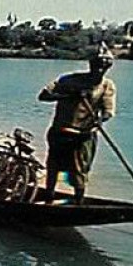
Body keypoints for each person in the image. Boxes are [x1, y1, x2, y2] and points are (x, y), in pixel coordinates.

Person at [38, 43, 117, 204]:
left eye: (104, 66)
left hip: (83, 135)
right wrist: (68, 95)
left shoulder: (106, 86)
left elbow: (108, 111)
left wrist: (99, 121)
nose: (100, 70)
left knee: (79, 172)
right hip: (60, 132)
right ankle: (48, 198)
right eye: (97, 65)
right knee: (53, 168)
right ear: (91, 64)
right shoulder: (69, 80)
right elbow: (44, 96)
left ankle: (78, 202)